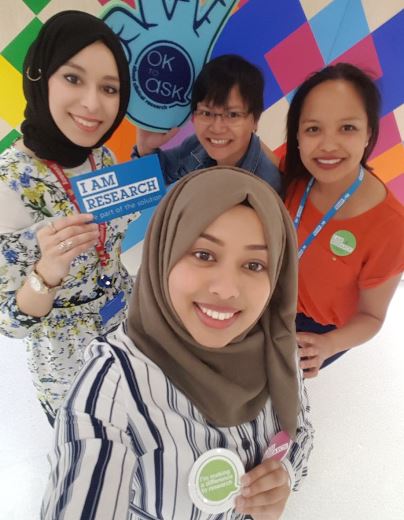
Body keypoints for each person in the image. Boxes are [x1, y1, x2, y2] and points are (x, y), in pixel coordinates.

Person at [41, 167, 313, 520]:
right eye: (204, 255)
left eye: (254, 264)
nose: (227, 289)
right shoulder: (111, 391)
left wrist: (284, 476)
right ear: (164, 252)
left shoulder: (277, 346)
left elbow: (301, 431)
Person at [0, 10, 137, 425]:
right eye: (73, 78)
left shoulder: (103, 156)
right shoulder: (9, 183)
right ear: (40, 77)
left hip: (128, 329)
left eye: (109, 88)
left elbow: (111, 236)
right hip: (67, 365)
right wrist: (48, 270)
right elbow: (10, 322)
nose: (93, 104)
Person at [282, 62, 404, 377]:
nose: (328, 145)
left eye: (347, 127)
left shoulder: (391, 226)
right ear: (297, 136)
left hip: (316, 329)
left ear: (369, 134)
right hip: (270, 297)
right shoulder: (294, 174)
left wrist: (329, 345)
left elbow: (371, 317)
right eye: (313, 129)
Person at [132, 54, 282, 192]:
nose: (216, 128)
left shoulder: (267, 187)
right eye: (206, 113)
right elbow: (158, 181)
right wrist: (146, 148)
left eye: (232, 115)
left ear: (255, 120)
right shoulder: (197, 146)